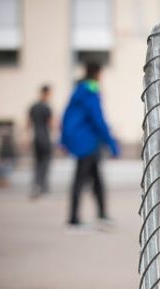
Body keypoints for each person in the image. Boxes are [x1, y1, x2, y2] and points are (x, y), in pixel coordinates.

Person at [61, 62, 119, 227]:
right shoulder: (90, 91)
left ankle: (101, 214)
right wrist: (111, 143)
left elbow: (67, 116)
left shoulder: (79, 90)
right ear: (97, 74)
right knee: (81, 179)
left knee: (96, 179)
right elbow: (98, 119)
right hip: (87, 142)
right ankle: (73, 219)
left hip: (85, 142)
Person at [28, 85, 53, 197]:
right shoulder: (47, 108)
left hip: (36, 137)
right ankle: (42, 186)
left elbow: (28, 124)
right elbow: (51, 124)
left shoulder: (33, 107)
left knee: (37, 162)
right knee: (45, 162)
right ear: (46, 93)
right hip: (45, 138)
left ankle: (36, 185)